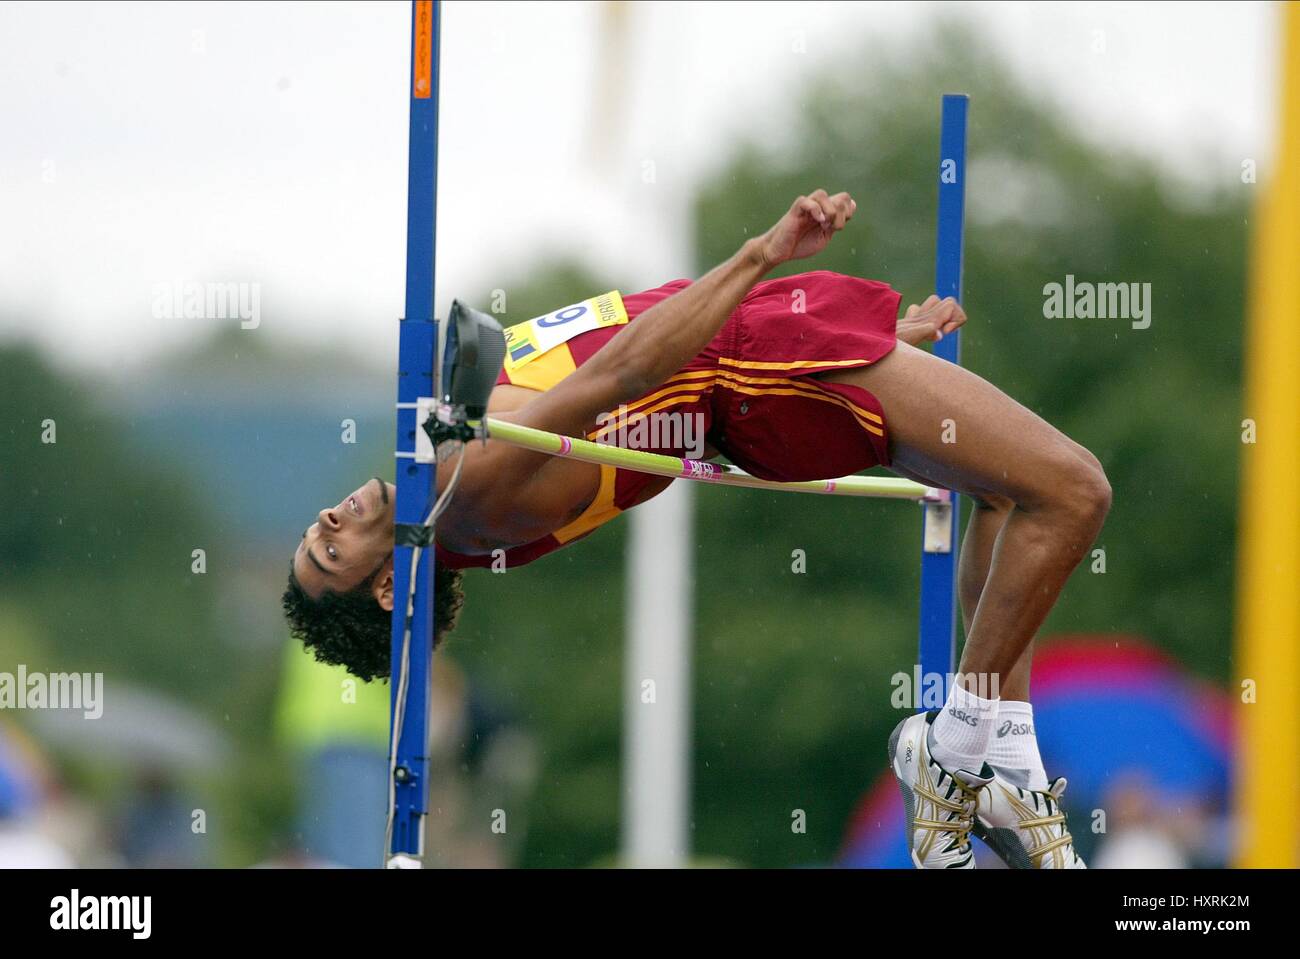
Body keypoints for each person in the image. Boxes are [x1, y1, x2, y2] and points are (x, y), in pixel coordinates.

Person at [282, 189, 1108, 869]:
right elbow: (625, 369)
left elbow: (650, 404)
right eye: (330, 550)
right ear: (387, 583)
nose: (325, 519)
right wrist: (764, 253)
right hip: (759, 360)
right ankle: (958, 753)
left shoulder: (461, 490)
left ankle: (1004, 750)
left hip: (760, 361)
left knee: (1003, 494)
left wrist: (878, 350)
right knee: (1072, 491)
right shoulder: (474, 489)